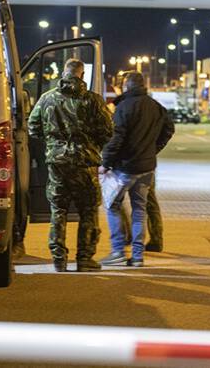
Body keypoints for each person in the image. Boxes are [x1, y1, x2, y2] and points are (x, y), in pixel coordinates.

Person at [28, 58, 113, 272]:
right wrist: (92, 145)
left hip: (58, 164)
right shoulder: (93, 100)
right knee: (88, 210)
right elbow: (108, 130)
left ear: (64, 73)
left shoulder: (47, 99)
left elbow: (33, 127)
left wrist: (52, 145)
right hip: (85, 163)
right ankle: (84, 258)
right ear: (82, 75)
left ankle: (59, 259)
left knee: (58, 210)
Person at [100, 72, 174, 267]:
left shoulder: (123, 108)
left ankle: (117, 251)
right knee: (139, 210)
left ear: (126, 86)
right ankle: (138, 256)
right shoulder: (156, 107)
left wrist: (105, 162)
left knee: (112, 205)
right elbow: (169, 130)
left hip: (125, 167)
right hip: (147, 167)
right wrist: (153, 149)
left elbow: (116, 139)